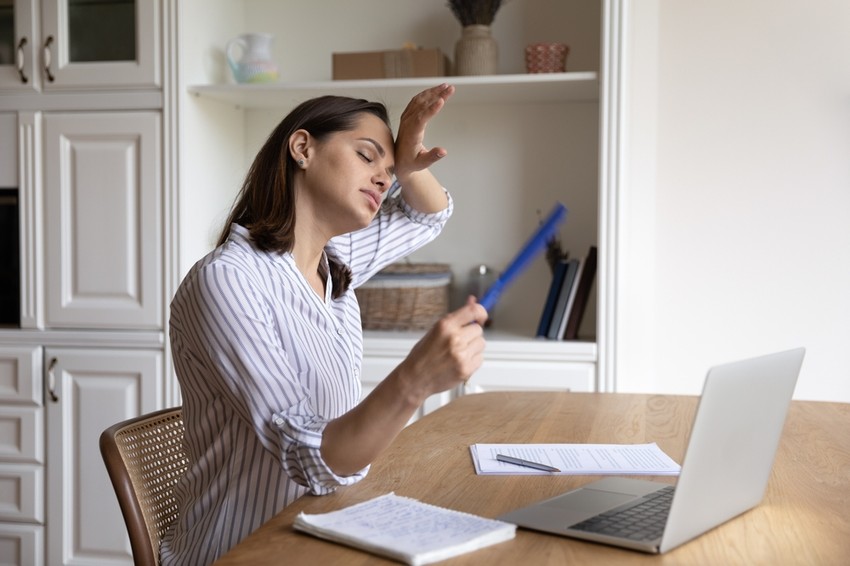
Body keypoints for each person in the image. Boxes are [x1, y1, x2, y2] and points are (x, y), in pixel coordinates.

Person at [160, 84, 488, 565]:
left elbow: (428, 217)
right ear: (302, 148)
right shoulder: (228, 280)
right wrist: (414, 381)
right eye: (366, 156)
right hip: (243, 551)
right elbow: (307, 456)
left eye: (389, 171)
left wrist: (407, 149)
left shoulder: (331, 260)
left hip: (326, 531)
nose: (383, 178)